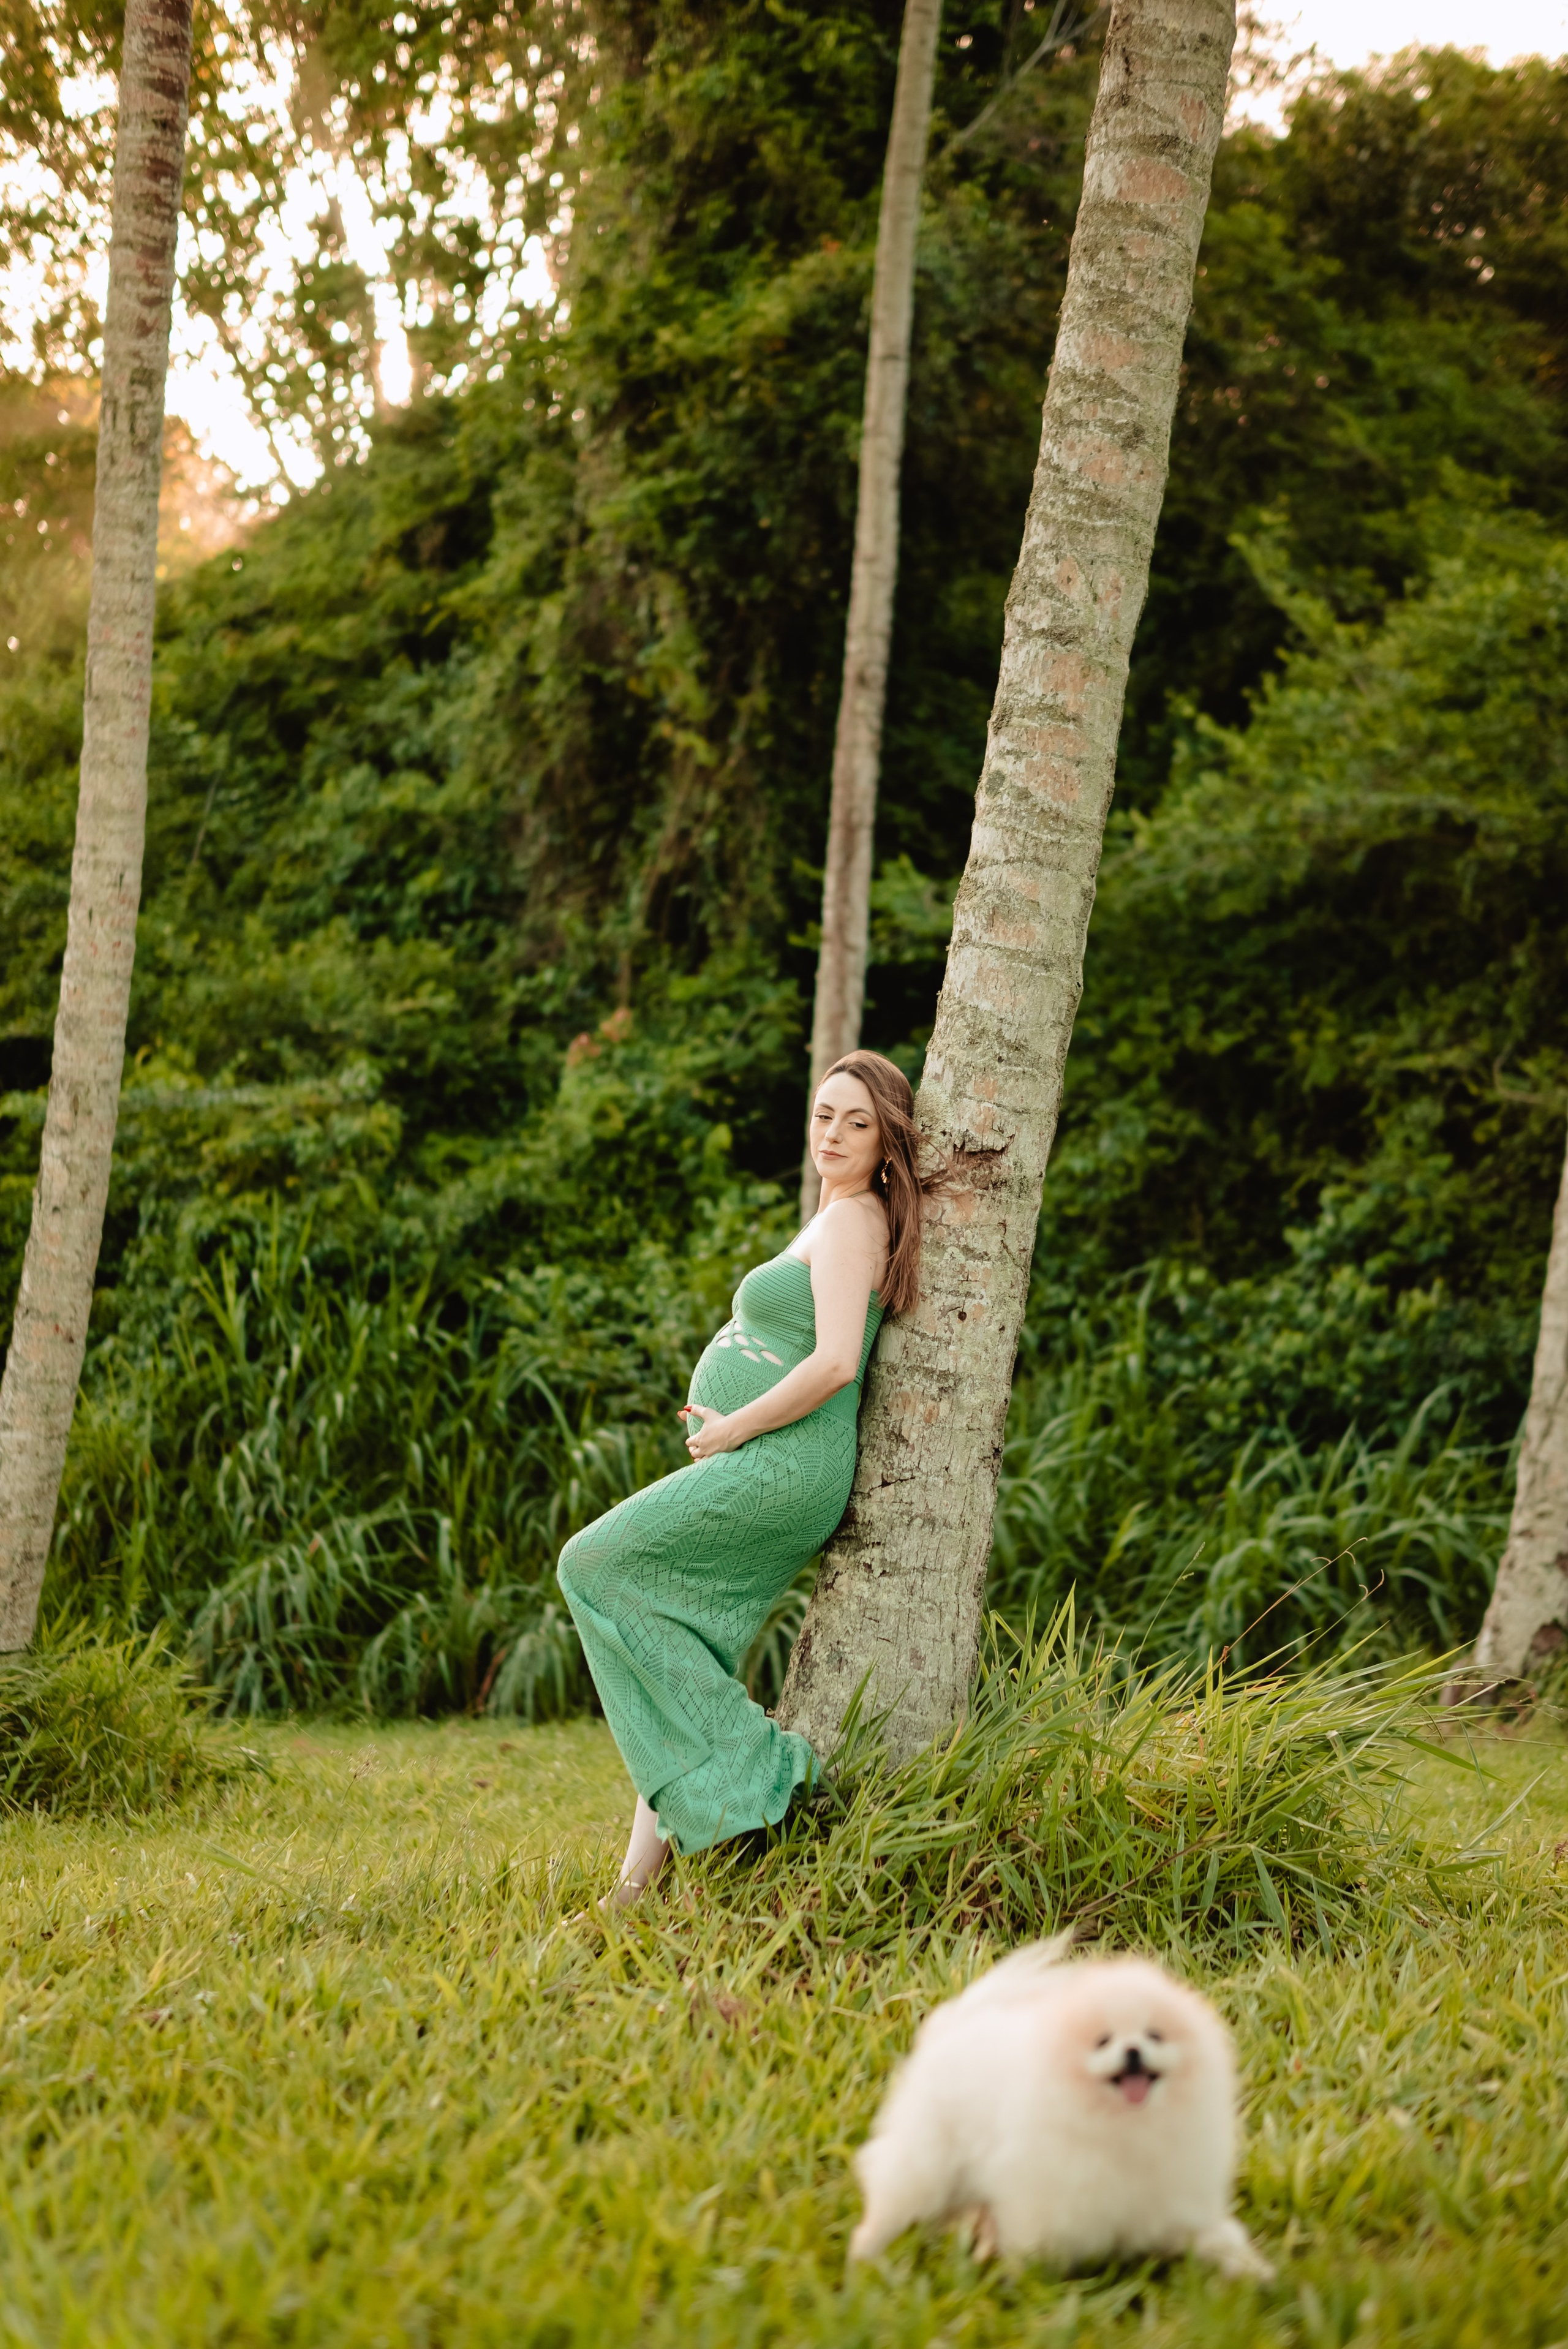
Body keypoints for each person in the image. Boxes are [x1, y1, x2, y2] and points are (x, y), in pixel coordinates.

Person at [556, 1048, 929, 1906]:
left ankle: (764, 1765)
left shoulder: (851, 1223)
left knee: (592, 1565)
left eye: (857, 1122)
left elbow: (836, 1362)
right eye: (824, 1115)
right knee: (673, 1645)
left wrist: (733, 1428)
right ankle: (636, 1886)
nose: (833, 1133)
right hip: (774, 1459)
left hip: (786, 1463)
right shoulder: (836, 1215)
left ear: (887, 1144)